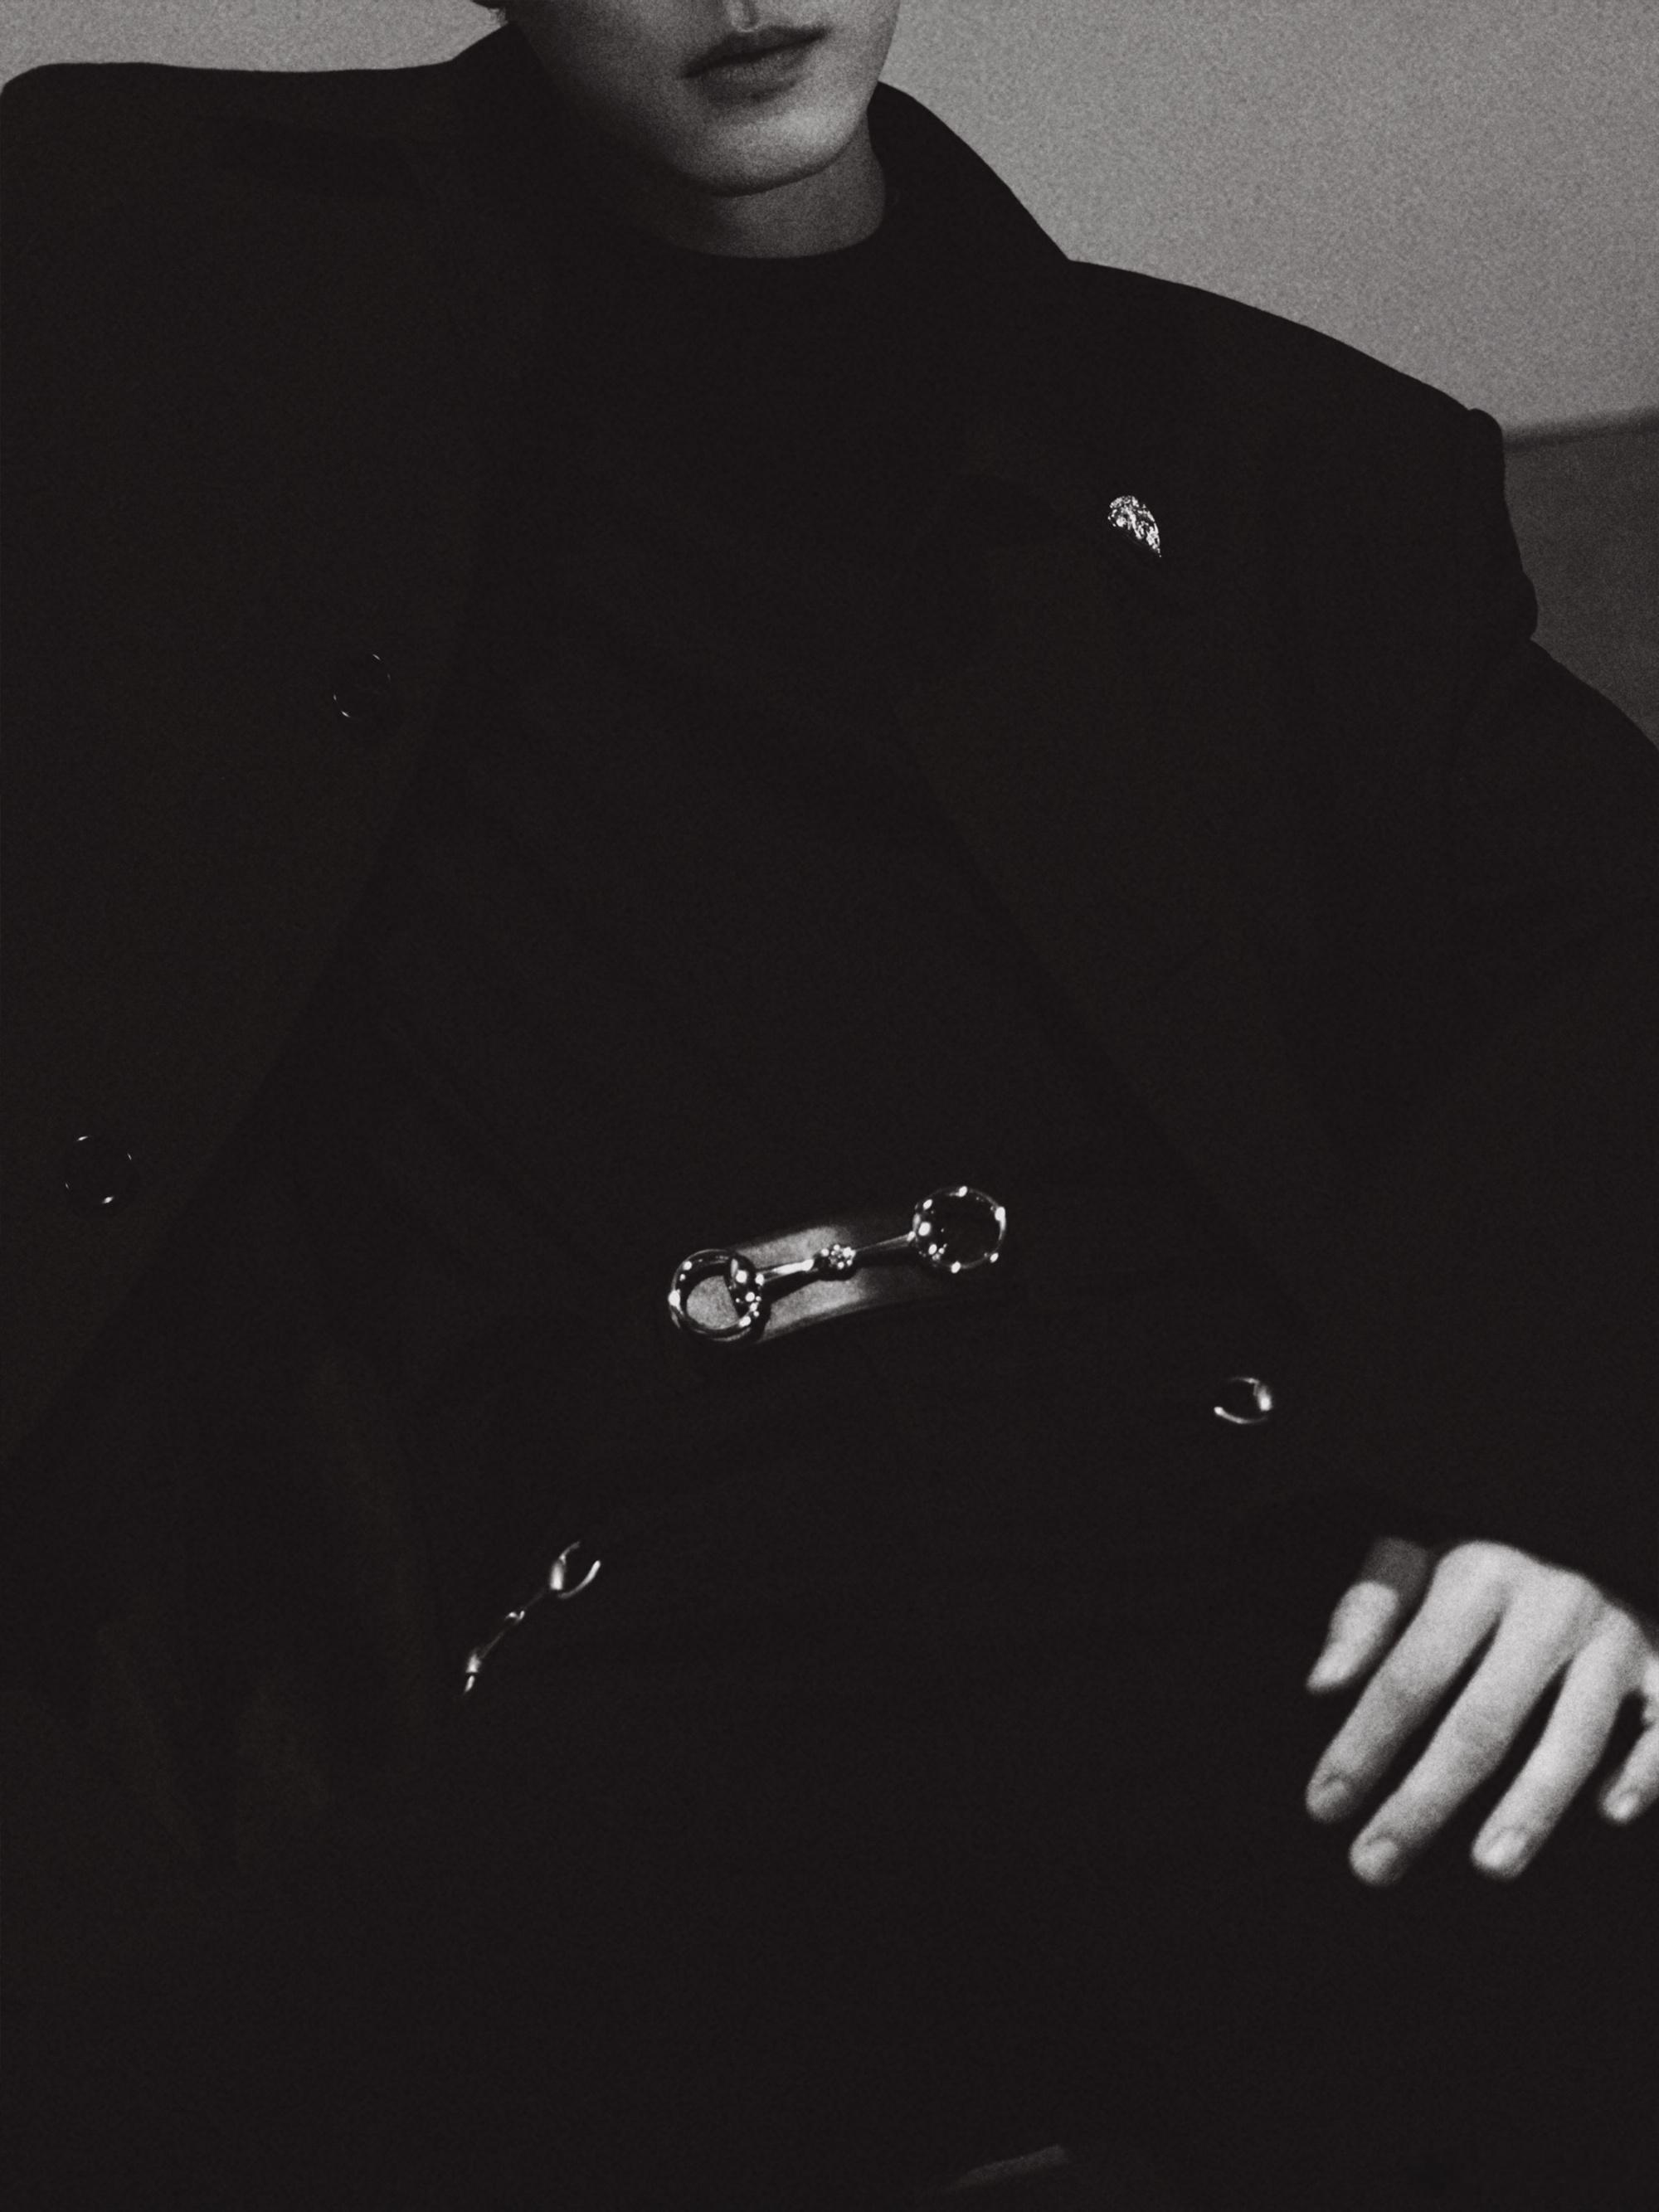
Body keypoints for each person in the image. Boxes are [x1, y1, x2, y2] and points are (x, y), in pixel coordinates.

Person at [1, 5, 1655, 2206]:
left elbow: (1606, 961)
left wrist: (1556, 1482)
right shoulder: (154, 272)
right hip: (614, 1630)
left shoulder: (1275, 450)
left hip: (1228, 1546)